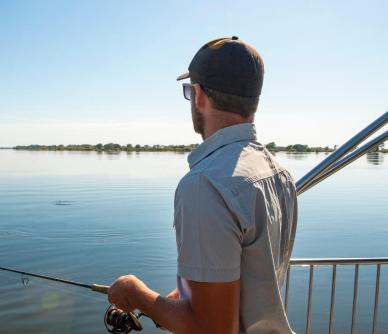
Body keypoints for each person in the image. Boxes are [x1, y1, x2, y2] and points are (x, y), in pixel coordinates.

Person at [108, 36, 297, 334]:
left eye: (189, 91)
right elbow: (250, 279)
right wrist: (187, 295)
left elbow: (211, 329)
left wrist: (136, 293)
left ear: (198, 95)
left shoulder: (204, 184)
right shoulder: (279, 174)